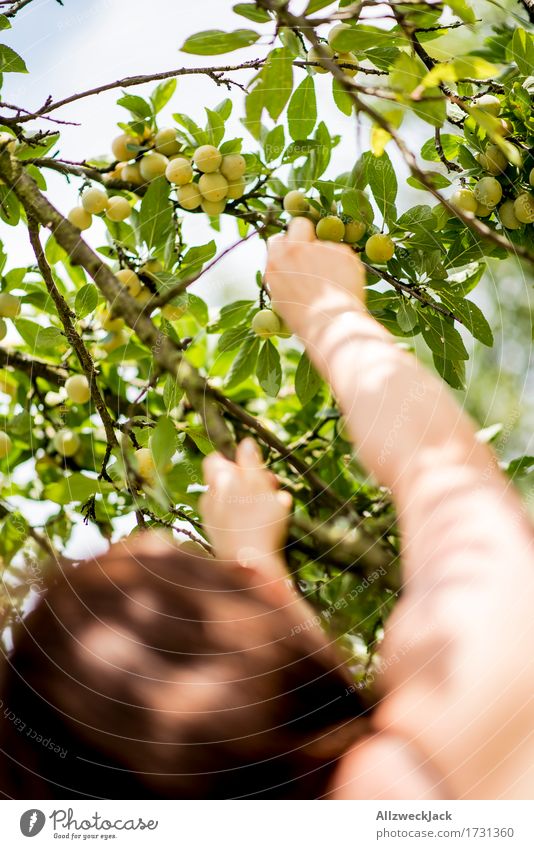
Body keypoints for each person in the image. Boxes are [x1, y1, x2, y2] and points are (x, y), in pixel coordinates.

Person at [1, 217, 533, 800]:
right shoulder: (429, 756)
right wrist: (329, 311)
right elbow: (446, 476)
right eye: (200, 577)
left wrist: (254, 559)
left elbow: (297, 733)